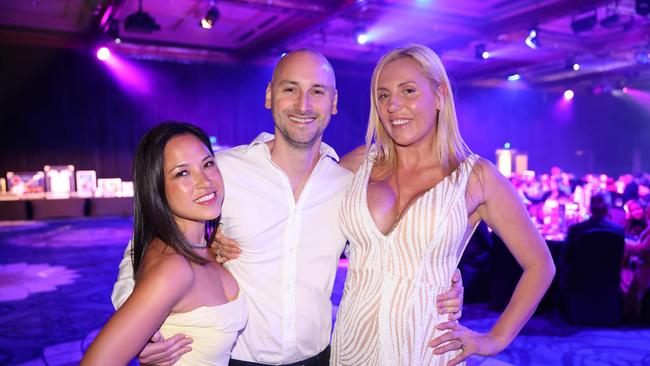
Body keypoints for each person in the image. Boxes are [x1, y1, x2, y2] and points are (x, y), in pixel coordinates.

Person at [111, 49, 464, 366]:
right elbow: (146, 245)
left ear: (334, 102)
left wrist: (442, 274)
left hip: (321, 358)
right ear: (269, 95)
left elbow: (389, 248)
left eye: (317, 92)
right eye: (290, 88)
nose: (303, 105)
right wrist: (145, 326)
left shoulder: (348, 185)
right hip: (238, 358)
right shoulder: (222, 171)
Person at [330, 44, 556, 365]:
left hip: (429, 351)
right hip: (353, 349)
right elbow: (302, 223)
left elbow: (540, 265)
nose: (393, 104)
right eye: (383, 95)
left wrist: (494, 339)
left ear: (439, 97)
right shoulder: (355, 165)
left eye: (408, 91)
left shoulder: (476, 177)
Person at [83, 122, 246, 365]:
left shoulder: (202, 246)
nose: (205, 182)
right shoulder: (173, 267)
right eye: (182, 173)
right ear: (156, 188)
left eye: (208, 164)